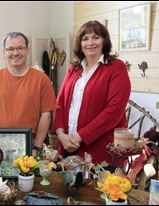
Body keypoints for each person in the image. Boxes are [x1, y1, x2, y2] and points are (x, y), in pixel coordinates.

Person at [53, 20, 131, 165]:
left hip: (101, 150)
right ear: (80, 44)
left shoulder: (116, 67)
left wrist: (80, 136)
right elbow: (60, 103)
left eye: (96, 37)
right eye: (85, 38)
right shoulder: (74, 69)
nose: (90, 43)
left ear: (104, 41)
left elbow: (114, 111)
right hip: (68, 147)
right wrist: (60, 134)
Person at [0, 32, 56, 155]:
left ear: (27, 50)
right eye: (10, 49)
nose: (15, 53)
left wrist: (37, 147)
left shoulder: (42, 79)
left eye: (20, 48)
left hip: (30, 144)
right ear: (4, 52)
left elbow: (46, 116)